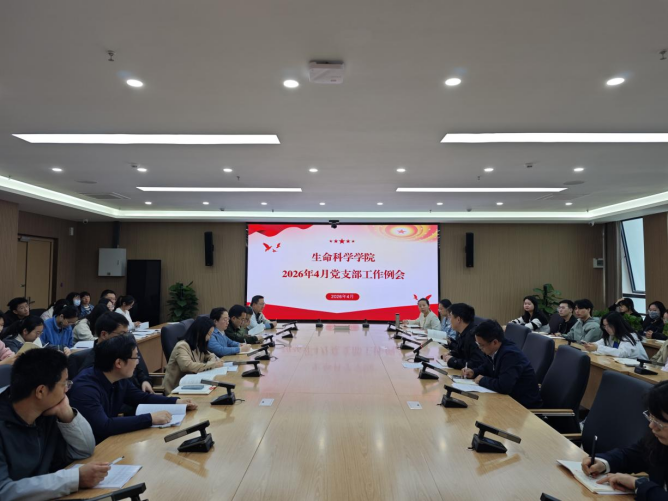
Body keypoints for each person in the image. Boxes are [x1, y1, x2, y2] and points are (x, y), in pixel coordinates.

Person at [0, 348, 108, 500]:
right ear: (41, 391)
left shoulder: (46, 412)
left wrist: (67, 413)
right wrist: (74, 479)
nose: (67, 389)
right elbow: (3, 491)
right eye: (64, 384)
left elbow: (84, 450)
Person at [69, 334, 197, 444]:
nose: (137, 362)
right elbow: (104, 426)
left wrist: (177, 402)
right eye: (135, 357)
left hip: (111, 440)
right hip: (93, 449)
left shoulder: (118, 378)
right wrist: (150, 418)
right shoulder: (85, 389)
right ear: (119, 363)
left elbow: (142, 398)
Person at [582, 380, 668, 496]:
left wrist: (638, 485)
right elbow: (632, 455)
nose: (652, 426)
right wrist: (604, 463)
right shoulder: (658, 440)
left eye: (659, 422)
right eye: (651, 418)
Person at [461, 320, 542, 408]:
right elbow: (488, 367)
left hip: (524, 407)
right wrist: (474, 372)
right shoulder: (495, 349)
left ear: (495, 342)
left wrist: (482, 380)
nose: (480, 348)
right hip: (509, 401)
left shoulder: (510, 355)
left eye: (481, 345)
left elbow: (504, 386)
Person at [77, 312, 155, 394]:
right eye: (122, 334)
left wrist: (145, 380)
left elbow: (139, 368)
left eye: (127, 333)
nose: (126, 338)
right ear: (104, 334)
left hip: (139, 392)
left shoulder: (125, 348)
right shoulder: (92, 366)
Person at [163, 317, 226, 395]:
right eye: (208, 334)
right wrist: (213, 364)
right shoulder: (182, 346)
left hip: (192, 384)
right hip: (176, 389)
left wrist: (213, 361)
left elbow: (211, 355)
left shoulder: (198, 344)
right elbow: (187, 366)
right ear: (200, 333)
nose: (209, 338)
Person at [581, 312, 648, 359]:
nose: (606, 328)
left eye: (609, 326)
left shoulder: (630, 336)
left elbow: (621, 353)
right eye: (604, 326)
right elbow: (600, 343)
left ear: (617, 324)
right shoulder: (611, 335)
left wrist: (597, 348)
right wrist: (591, 345)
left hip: (638, 367)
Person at [441, 303, 487, 370]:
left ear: (458, 319)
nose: (449, 320)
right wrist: (451, 354)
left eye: (450, 317)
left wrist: (454, 361)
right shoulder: (463, 332)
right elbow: (461, 352)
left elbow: (477, 363)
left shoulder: (474, 336)